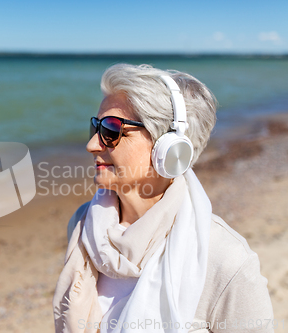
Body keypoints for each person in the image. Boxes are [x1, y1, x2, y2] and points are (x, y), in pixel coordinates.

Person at [53, 64, 274, 333]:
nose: (92, 145)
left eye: (112, 130)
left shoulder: (227, 261)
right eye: (95, 127)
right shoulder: (82, 225)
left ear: (168, 148)